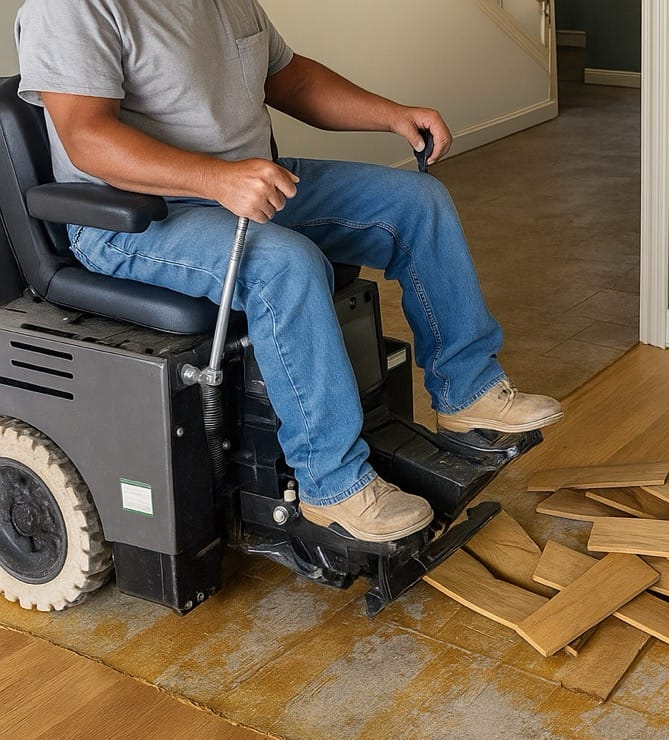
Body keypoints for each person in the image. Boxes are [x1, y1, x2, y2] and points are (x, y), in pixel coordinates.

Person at [14, 0, 563, 543]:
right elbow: (87, 138)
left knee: (418, 204)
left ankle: (468, 393)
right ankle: (333, 484)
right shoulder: (72, 7)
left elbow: (291, 80)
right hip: (133, 216)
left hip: (246, 182)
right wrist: (216, 180)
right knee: (285, 264)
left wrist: (392, 114)